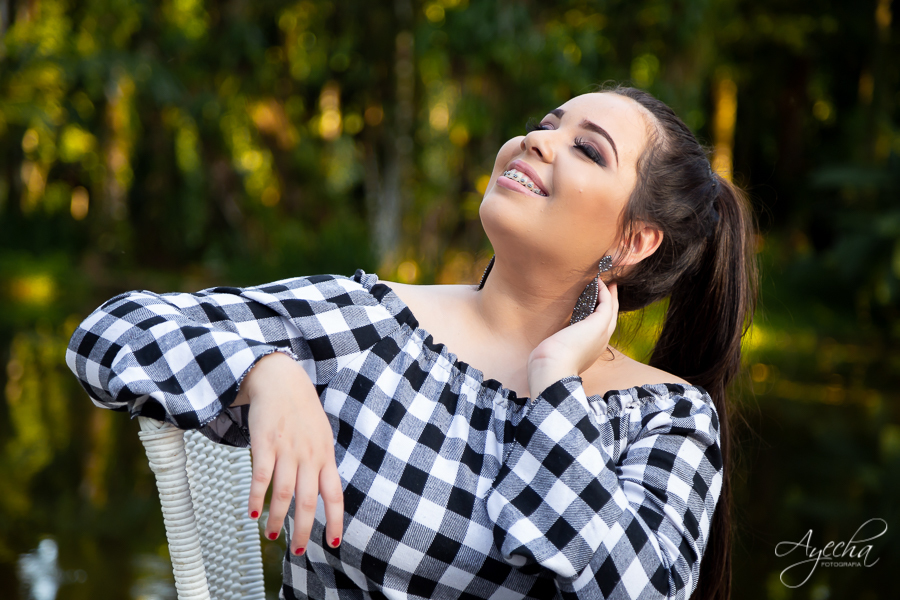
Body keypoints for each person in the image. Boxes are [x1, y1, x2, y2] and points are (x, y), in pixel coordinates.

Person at [66, 84, 757, 600]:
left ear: (633, 240)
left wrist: (554, 382)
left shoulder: (666, 417)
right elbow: (111, 334)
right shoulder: (370, 326)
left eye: (586, 149)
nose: (536, 141)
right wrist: (266, 372)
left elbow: (638, 591)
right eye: (543, 126)